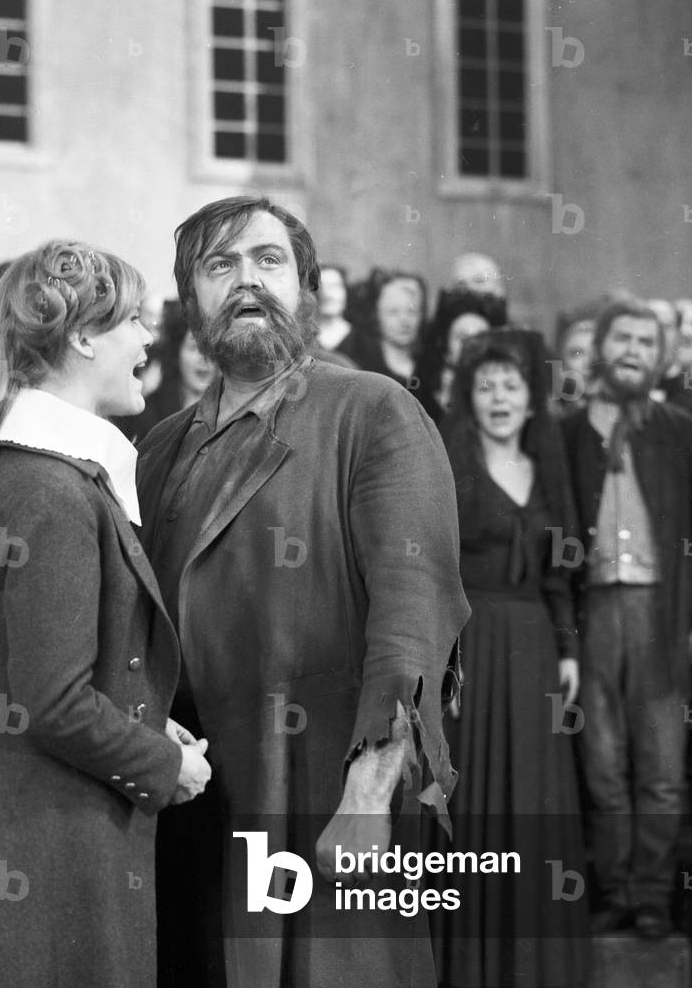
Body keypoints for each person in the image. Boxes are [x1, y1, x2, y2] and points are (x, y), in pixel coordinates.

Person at [137, 195, 469, 988]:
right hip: (188, 800)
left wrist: (370, 792)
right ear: (192, 300)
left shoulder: (373, 411)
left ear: (305, 287)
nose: (246, 280)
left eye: (268, 260)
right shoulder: (158, 449)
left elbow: (413, 613)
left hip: (321, 785)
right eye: (220, 265)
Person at [0, 239, 211, 987]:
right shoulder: (50, 490)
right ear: (81, 337)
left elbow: (50, 668)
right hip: (43, 840)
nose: (149, 338)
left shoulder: (35, 472)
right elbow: (54, 703)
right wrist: (164, 763)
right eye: (134, 320)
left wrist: (146, 717)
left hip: (32, 823)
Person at [562, 299, 692, 937]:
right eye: (622, 338)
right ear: (601, 347)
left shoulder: (686, 432)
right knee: (602, 763)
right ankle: (615, 892)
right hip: (594, 613)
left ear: (659, 357)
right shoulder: (567, 433)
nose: (633, 350)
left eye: (645, 341)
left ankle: (654, 897)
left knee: (661, 765)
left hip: (663, 609)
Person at [435, 328, 589, 987]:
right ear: (469, 397)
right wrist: (444, 658)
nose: (499, 398)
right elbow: (435, 571)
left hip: (535, 654)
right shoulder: (450, 467)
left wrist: (569, 649)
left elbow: (560, 572)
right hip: (470, 649)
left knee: (535, 799)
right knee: (473, 803)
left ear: (531, 399)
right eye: (486, 386)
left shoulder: (548, 470)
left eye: (512, 385)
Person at [114, 298, 217, 443]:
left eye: (210, 348)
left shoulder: (226, 410)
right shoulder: (152, 406)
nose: (204, 359)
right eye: (194, 348)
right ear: (177, 351)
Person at [412, 286, 507, 425]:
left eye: (481, 338)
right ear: (445, 345)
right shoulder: (423, 393)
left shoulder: (504, 395)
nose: (471, 345)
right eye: (462, 338)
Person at [339, 268, 426, 388]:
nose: (405, 321)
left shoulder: (429, 363)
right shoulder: (358, 362)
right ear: (375, 314)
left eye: (412, 311)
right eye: (394, 312)